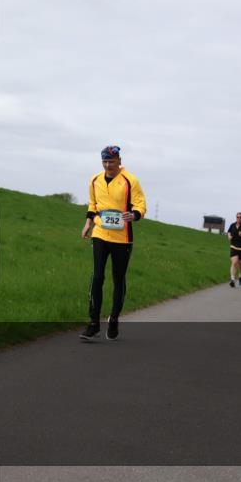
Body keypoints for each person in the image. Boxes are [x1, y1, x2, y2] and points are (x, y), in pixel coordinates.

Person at [79, 145, 147, 342]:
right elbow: (93, 205)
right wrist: (88, 223)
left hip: (122, 238)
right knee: (98, 276)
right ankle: (93, 324)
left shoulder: (130, 181)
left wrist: (134, 214)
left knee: (118, 278)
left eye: (111, 161)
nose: (108, 165)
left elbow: (140, 204)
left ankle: (114, 318)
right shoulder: (94, 180)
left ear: (119, 160)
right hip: (100, 233)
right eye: (105, 162)